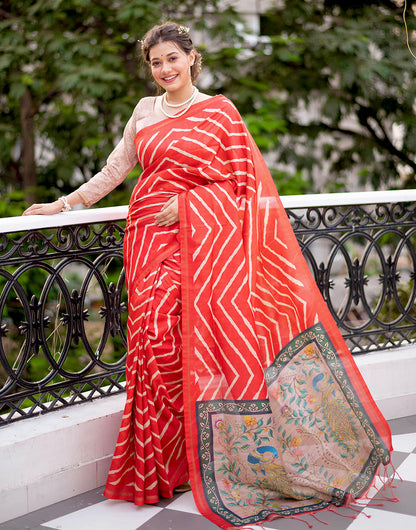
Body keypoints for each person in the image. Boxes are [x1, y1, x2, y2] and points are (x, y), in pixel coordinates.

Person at [24, 21, 394, 530]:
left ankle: (208, 461)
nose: (165, 69)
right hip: (149, 243)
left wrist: (190, 203)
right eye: (156, 62)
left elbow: (245, 188)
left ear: (192, 58)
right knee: (155, 346)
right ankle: (162, 467)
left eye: (173, 58)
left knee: (192, 347)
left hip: (206, 249)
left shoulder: (219, 112)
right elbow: (114, 171)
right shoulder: (144, 112)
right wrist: (62, 205)